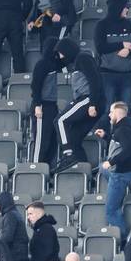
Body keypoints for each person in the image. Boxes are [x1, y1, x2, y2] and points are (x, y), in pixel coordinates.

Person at [52, 38, 103, 173]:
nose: (61, 57)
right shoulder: (75, 62)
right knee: (73, 138)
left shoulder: (83, 58)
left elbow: (95, 80)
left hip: (88, 100)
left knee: (60, 120)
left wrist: (93, 103)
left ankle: (68, 154)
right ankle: (84, 172)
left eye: (61, 53)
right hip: (87, 100)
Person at [95, 101, 131, 240]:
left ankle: (123, 240)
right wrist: (106, 136)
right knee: (102, 168)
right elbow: (119, 145)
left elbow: (128, 151)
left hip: (120, 174)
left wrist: (111, 162)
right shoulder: (121, 127)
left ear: (118, 112)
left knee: (111, 211)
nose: (109, 114)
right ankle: (127, 186)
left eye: (111, 112)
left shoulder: (123, 129)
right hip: (122, 171)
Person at [94, 0, 131, 107]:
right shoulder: (101, 25)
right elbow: (100, 47)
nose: (127, 10)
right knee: (106, 109)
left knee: (125, 109)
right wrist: (122, 45)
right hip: (107, 75)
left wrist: (129, 49)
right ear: (117, 9)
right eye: (125, 8)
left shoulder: (129, 24)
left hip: (126, 75)